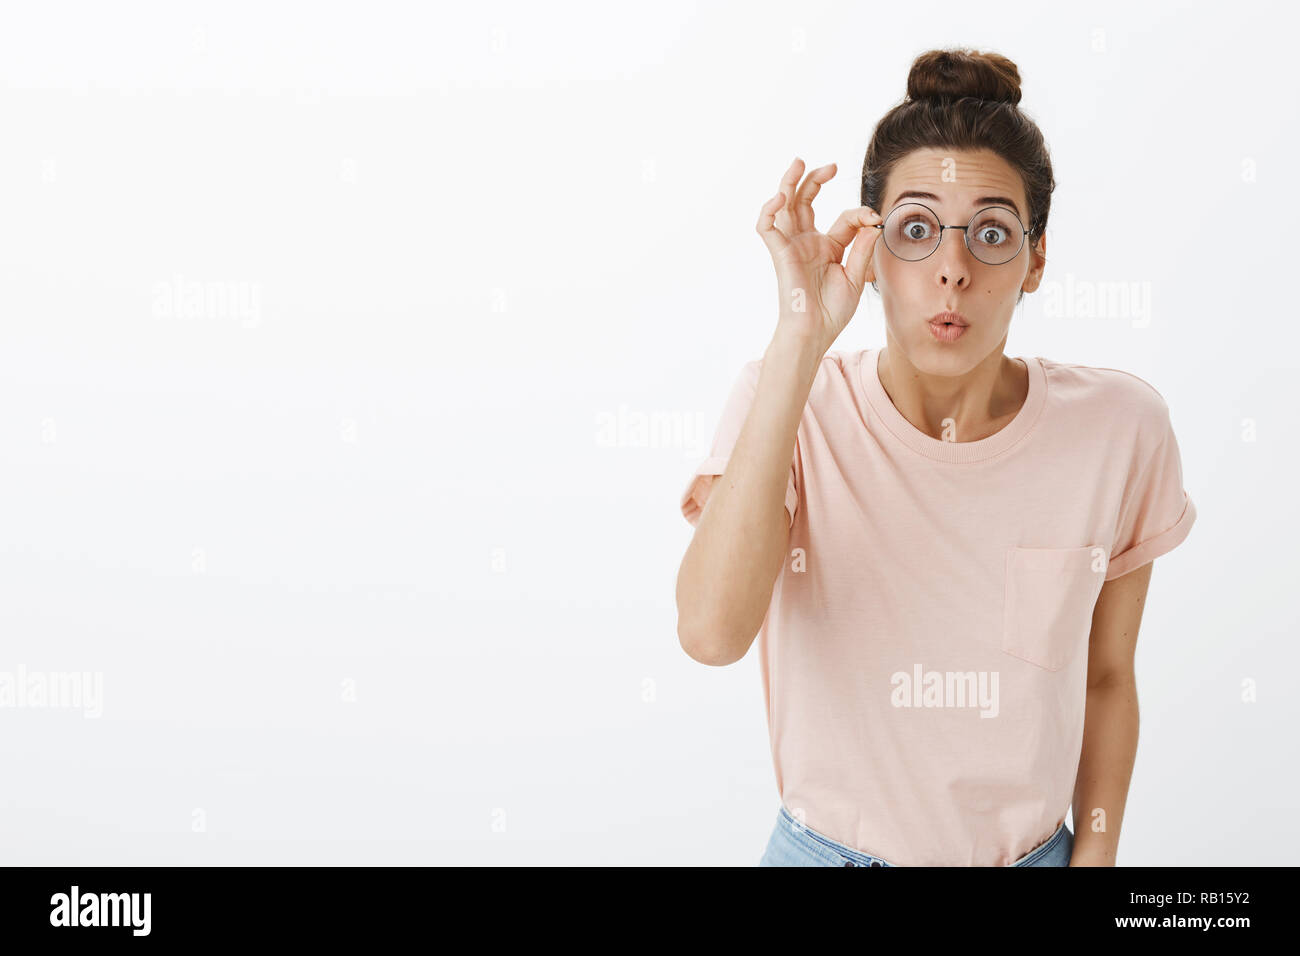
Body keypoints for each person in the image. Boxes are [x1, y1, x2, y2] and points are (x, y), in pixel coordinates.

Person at [674, 48, 1197, 867]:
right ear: (871, 251)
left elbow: (1107, 679)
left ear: (1037, 259)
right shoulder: (789, 399)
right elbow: (710, 634)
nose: (952, 271)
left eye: (991, 233)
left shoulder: (1121, 430)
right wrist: (800, 338)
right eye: (916, 230)